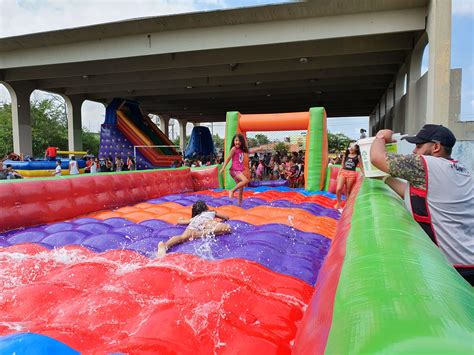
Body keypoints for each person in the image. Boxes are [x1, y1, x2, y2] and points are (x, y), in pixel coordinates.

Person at [370, 125, 474, 285]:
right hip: (468, 259)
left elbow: (376, 158)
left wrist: (381, 136)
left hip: (456, 266)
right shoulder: (460, 169)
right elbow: (414, 194)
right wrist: (385, 179)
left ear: (436, 147)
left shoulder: (427, 164)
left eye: (418, 146)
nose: (414, 151)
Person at [157, 200, 231, 257]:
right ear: (205, 208)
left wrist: (180, 219)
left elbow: (181, 221)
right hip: (205, 222)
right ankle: (200, 234)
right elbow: (226, 217)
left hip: (193, 225)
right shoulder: (210, 212)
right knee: (227, 228)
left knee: (182, 237)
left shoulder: (194, 218)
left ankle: (165, 245)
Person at [219, 133, 249, 206]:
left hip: (238, 171)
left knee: (241, 189)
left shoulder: (241, 150)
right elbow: (228, 158)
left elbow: (250, 150)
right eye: (236, 140)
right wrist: (223, 168)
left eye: (239, 141)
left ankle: (238, 204)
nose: (237, 142)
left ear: (242, 142)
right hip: (234, 170)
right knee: (245, 180)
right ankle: (232, 190)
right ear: (233, 141)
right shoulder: (234, 149)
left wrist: (259, 149)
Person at [334, 142, 363, 211]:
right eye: (350, 146)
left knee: (347, 191)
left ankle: (347, 206)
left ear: (356, 148)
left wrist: (364, 174)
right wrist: (338, 175)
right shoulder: (346, 155)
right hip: (343, 172)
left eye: (353, 146)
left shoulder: (358, 156)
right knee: (338, 189)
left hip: (352, 174)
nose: (351, 148)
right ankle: (339, 202)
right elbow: (342, 166)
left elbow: (361, 167)